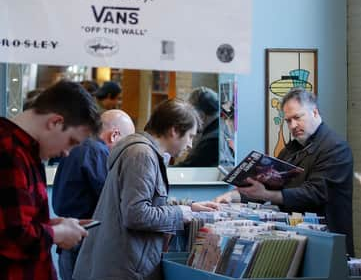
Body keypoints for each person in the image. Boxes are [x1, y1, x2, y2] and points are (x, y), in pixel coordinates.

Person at [73, 98, 217, 280]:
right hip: (125, 268)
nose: (190, 145)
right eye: (190, 136)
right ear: (174, 130)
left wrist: (189, 207)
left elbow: (145, 199)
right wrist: (180, 213)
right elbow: (136, 214)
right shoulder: (142, 154)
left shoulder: (142, 152)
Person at [215, 88, 355, 255]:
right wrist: (233, 196)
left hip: (326, 241)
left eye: (297, 117)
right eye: (288, 121)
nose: (293, 125)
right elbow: (268, 186)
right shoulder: (290, 150)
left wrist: (266, 195)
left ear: (315, 112)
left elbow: (315, 193)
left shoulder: (335, 148)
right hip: (294, 239)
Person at [0, 80, 101, 280]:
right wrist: (57, 233)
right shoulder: (9, 152)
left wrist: (52, 225)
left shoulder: (25, 151)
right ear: (55, 122)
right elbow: (12, 238)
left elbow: (18, 220)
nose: (66, 153)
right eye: (71, 142)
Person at [51, 109, 136, 280]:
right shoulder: (97, 152)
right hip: (84, 243)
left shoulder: (78, 146)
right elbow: (111, 197)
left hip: (69, 242)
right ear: (114, 136)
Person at [176, 87, 220, 167]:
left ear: (201, 115)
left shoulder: (212, 140)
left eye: (191, 115)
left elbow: (189, 168)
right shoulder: (217, 130)